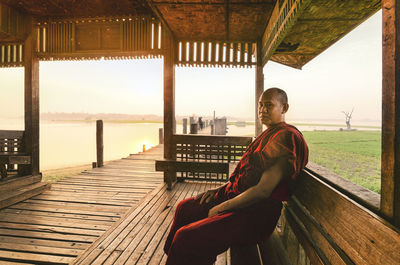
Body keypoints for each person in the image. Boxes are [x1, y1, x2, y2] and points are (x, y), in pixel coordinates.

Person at [163, 88, 309, 265]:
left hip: (255, 214)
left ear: (284, 108)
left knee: (186, 237)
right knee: (185, 208)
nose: (262, 110)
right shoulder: (269, 134)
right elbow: (246, 175)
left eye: (269, 105)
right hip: (239, 201)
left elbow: (263, 190)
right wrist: (219, 189)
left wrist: (220, 208)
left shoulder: (285, 137)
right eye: (260, 105)